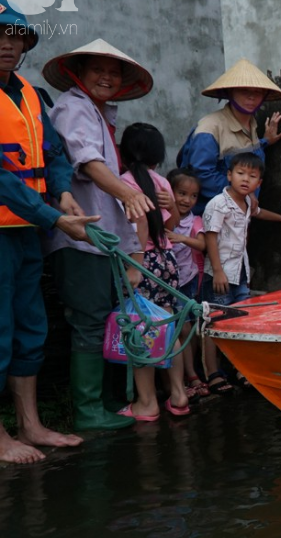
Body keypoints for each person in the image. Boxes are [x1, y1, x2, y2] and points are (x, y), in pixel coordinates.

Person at [0, 0, 101, 463]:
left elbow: (55, 154)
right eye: (0, 36)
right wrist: (55, 219)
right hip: (10, 231)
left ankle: (31, 424)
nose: (6, 45)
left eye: (14, 37)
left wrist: (61, 194)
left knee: (30, 328)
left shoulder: (30, 94)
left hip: (26, 234)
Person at [42, 38, 156, 431]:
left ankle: (111, 400)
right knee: (89, 322)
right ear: (79, 75)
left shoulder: (100, 113)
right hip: (80, 238)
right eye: (97, 71)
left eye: (113, 73)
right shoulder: (73, 107)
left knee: (111, 320)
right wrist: (129, 192)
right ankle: (90, 411)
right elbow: (86, 161)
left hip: (103, 239)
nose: (106, 78)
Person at [202, 153, 281, 393]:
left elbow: (259, 213)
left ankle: (240, 369)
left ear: (259, 183)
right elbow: (210, 238)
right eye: (241, 174)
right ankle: (212, 373)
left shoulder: (247, 203)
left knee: (241, 321)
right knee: (213, 322)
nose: (245, 179)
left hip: (240, 272)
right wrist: (218, 270)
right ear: (229, 175)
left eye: (252, 176)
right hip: (219, 273)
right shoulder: (218, 204)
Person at [117, 123, 189, 420]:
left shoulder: (123, 182)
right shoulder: (162, 181)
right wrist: (171, 205)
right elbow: (170, 227)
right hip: (167, 259)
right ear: (158, 155)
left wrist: (135, 263)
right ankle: (179, 394)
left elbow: (139, 224)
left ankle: (146, 402)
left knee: (141, 329)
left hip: (142, 260)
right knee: (167, 326)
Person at [182, 58, 281, 213]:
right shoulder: (210, 128)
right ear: (230, 93)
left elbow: (244, 155)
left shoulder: (252, 124)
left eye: (257, 92)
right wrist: (241, 192)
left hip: (239, 219)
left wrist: (265, 141)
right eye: (244, 91)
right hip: (209, 220)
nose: (251, 97)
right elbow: (201, 175)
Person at [165, 168, 209, 402]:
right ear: (169, 191)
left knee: (187, 329)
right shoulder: (162, 217)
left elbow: (202, 244)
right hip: (165, 282)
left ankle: (192, 375)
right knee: (171, 331)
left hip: (187, 282)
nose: (187, 200)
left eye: (193, 196)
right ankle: (178, 379)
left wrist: (182, 238)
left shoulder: (195, 221)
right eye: (181, 193)